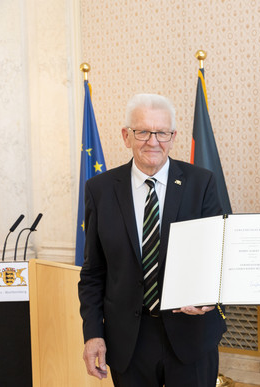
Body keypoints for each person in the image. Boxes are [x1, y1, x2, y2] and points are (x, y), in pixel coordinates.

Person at [78, 93, 226, 386]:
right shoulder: (100, 189)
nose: (153, 141)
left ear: (173, 137)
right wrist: (93, 334)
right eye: (143, 131)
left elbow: (218, 255)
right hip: (129, 342)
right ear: (126, 136)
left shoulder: (201, 182)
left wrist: (209, 297)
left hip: (191, 336)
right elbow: (93, 273)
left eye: (162, 132)